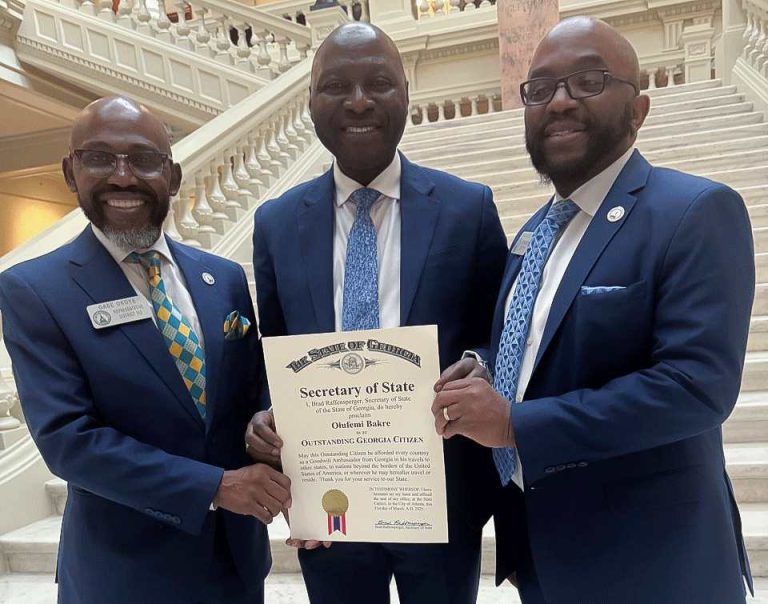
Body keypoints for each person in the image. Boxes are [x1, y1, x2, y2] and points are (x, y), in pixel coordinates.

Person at [432, 17, 755, 604]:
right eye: (540, 88)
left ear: (639, 110)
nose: (559, 101)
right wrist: (482, 364)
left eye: (588, 81)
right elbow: (529, 346)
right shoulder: (533, 232)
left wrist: (513, 425)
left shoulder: (695, 211)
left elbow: (695, 386)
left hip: (654, 567)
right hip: (543, 559)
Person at [247, 22, 509, 604]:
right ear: (310, 101)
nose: (359, 101)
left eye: (379, 83)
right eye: (336, 85)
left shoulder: (467, 209)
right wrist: (264, 413)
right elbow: (275, 347)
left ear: (406, 95)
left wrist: (480, 363)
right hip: (327, 499)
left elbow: (497, 334)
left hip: (438, 495)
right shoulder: (276, 223)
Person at [0, 96, 290, 604]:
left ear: (172, 177)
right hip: (123, 575)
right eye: (99, 158)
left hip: (235, 565)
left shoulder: (222, 278)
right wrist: (214, 487)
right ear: (70, 172)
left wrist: (263, 421)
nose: (122, 176)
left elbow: (249, 389)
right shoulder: (34, 290)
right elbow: (70, 441)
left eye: (143, 159)